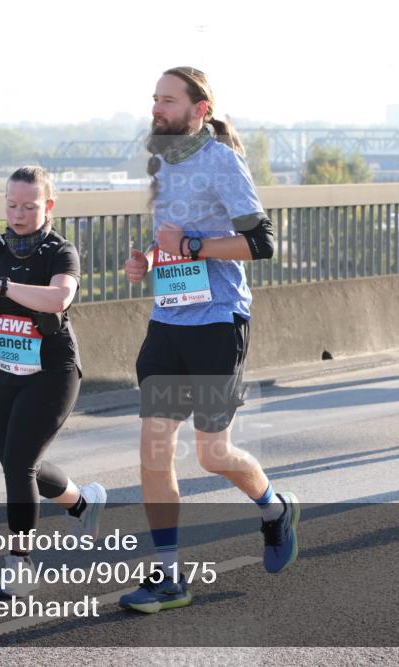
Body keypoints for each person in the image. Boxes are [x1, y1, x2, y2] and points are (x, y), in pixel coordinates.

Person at [118, 66, 299, 614]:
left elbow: (262, 242)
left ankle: (273, 507)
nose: (157, 108)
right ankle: (169, 577)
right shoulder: (161, 163)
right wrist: (149, 258)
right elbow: (168, 234)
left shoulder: (222, 160)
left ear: (199, 110)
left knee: (212, 454)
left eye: (167, 100)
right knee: (154, 447)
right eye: (154, 98)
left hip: (219, 320)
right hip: (169, 320)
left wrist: (193, 245)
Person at [0, 166, 106, 596]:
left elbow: (59, 298)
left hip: (53, 372)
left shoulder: (60, 252)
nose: (19, 214)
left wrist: (6, 286)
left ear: (48, 206)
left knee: (19, 464)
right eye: (12, 204)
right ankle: (84, 503)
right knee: (17, 463)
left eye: (29, 206)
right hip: (7, 370)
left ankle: (20, 562)